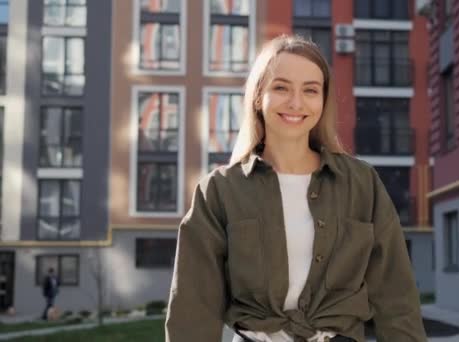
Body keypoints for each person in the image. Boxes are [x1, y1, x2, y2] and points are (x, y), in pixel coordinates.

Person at [165, 35, 426, 342]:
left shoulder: (362, 184)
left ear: (323, 100)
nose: (296, 102)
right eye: (281, 87)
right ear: (259, 96)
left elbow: (396, 298)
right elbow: (193, 309)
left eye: (310, 90)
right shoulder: (220, 191)